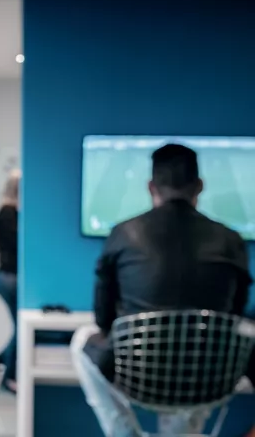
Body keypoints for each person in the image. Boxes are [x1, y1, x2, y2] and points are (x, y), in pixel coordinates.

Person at [70, 144, 253, 437]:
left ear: (151, 186)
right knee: (202, 355)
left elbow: (103, 319)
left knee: (82, 341)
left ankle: (123, 431)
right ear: (200, 186)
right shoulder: (231, 240)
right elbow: (236, 317)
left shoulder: (123, 234)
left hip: (138, 376)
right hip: (206, 378)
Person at [0, 169, 20, 392]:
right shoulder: (9, 213)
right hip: (9, 277)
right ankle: (8, 373)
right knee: (21, 329)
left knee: (18, 328)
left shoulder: (7, 212)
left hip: (7, 277)